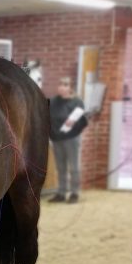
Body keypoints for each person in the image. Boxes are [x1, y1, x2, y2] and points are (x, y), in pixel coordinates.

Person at [48, 76, 87, 204]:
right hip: (56, 138)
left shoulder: (77, 102)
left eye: (65, 85)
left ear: (70, 87)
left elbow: (83, 121)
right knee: (60, 167)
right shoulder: (52, 101)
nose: (61, 87)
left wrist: (73, 123)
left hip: (72, 138)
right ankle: (61, 193)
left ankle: (74, 193)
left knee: (74, 167)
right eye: (60, 84)